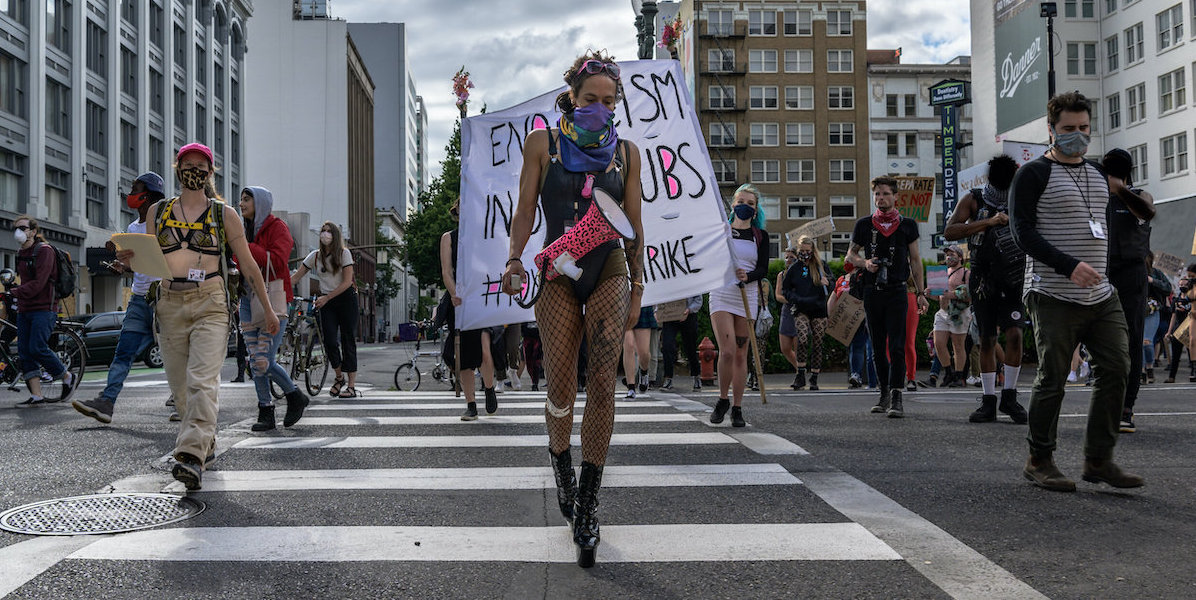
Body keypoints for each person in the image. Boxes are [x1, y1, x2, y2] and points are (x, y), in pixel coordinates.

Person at [501, 50, 644, 568]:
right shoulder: (543, 143)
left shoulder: (627, 153)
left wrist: (640, 282)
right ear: (572, 96)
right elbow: (523, 208)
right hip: (558, 271)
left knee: (603, 382)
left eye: (609, 101)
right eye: (591, 100)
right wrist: (515, 258)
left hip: (608, 269)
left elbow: (634, 221)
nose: (600, 109)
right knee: (561, 381)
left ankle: (588, 503)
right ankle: (560, 460)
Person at [1008, 92, 1142, 492]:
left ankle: (1098, 460)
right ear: (1051, 129)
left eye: (1084, 128)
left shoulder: (1100, 174)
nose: (1078, 136)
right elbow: (1022, 233)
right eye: (1069, 129)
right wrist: (1068, 265)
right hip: (1051, 292)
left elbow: (1105, 229)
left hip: (1101, 294)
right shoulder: (1032, 174)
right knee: (1053, 377)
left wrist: (1109, 271)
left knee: (1118, 368)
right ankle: (1039, 459)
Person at [126, 142, 279, 491]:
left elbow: (250, 264)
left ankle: (190, 456)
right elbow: (148, 261)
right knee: (181, 391)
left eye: (201, 165)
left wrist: (268, 309)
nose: (194, 170)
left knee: (201, 381)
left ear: (210, 172)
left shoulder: (224, 214)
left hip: (210, 302)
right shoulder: (158, 212)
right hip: (168, 302)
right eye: (187, 164)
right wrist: (128, 262)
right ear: (177, 169)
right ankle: (204, 444)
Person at [72, 172, 166, 422]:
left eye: (135, 189)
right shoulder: (132, 229)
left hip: (164, 298)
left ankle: (184, 401)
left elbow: (165, 263)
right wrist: (123, 266)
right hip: (138, 299)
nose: (130, 195)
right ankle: (106, 402)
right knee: (123, 352)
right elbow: (138, 265)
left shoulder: (165, 224)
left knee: (175, 353)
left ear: (147, 195)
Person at [944, 155, 1030, 423]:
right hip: (983, 277)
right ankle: (988, 400)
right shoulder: (975, 198)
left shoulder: (1023, 198)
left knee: (1015, 334)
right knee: (987, 339)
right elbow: (950, 232)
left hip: (1015, 276)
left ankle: (1010, 396)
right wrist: (988, 222)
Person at [846, 177, 928, 418]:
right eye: (877, 194)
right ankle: (882, 392)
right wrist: (865, 263)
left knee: (897, 345)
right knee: (877, 347)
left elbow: (915, 260)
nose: (880, 198)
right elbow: (851, 255)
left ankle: (896, 395)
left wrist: (921, 293)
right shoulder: (864, 224)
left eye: (885, 194)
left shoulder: (907, 225)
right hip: (872, 291)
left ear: (895, 197)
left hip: (897, 290)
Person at [237, 186, 308, 431]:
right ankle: (265, 410)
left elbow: (278, 261)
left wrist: (244, 247)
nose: (241, 203)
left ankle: (294, 395)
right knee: (255, 358)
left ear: (261, 203)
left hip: (274, 300)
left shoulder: (278, 228)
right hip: (246, 300)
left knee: (263, 360)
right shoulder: (242, 229)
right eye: (241, 199)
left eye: (247, 199)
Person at [1100, 148, 1156, 434]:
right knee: (1100, 340)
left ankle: (1126, 408)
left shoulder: (1139, 194)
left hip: (1131, 274)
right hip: (1099, 272)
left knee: (1132, 340)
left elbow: (1148, 211)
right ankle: (1105, 404)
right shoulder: (1095, 196)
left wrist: (1120, 190)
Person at [708, 184, 769, 426]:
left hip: (748, 296)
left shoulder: (761, 236)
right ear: (732, 205)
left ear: (756, 209)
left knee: (742, 354)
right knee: (728, 351)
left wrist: (749, 277)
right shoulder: (721, 231)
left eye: (750, 203)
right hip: (722, 293)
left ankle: (737, 406)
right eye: (740, 201)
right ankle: (722, 398)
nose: (745, 206)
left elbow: (763, 268)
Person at [435, 200, 498, 420]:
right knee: (463, 355)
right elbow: (446, 271)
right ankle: (471, 403)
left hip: (481, 299)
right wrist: (454, 294)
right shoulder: (448, 238)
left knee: (484, 348)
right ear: (457, 210)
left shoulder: (484, 236)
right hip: (459, 302)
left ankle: (489, 388)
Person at [11, 216, 74, 407]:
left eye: (22, 227)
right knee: (25, 351)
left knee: (37, 347)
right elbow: (22, 280)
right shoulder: (20, 253)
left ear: (32, 231)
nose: (18, 231)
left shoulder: (44, 251)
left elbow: (39, 283)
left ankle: (66, 375)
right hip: (25, 308)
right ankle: (37, 395)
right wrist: (15, 292)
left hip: (44, 307)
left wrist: (14, 291)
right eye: (15, 228)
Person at [292, 221, 360, 398]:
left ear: (335, 236)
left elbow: (347, 282)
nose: (325, 234)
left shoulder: (344, 254)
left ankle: (351, 385)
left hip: (346, 299)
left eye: (329, 231)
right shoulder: (315, 256)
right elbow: (297, 276)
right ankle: (339, 378)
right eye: (323, 230)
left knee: (348, 340)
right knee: (329, 340)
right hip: (327, 302)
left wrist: (327, 297)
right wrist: (278, 287)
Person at [781, 236, 831, 390]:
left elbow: (832, 283)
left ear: (812, 251)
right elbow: (786, 289)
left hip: (818, 308)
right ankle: (800, 374)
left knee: (817, 342)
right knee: (802, 339)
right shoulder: (794, 268)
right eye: (801, 251)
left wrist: (827, 283)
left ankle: (814, 377)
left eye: (807, 251)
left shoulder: (821, 266)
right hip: (801, 307)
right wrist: (795, 299)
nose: (804, 254)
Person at [925, 245, 972, 388]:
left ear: (959, 257)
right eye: (947, 255)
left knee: (958, 346)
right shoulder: (941, 273)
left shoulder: (966, 273)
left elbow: (970, 295)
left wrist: (951, 294)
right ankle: (948, 373)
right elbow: (939, 297)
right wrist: (929, 294)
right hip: (942, 312)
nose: (948, 257)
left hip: (959, 314)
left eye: (952, 254)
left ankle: (958, 377)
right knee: (938, 343)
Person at [829, 262, 877, 389]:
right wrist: (829, 318)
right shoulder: (842, 280)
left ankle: (874, 380)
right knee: (856, 346)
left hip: (865, 314)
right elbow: (832, 299)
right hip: (851, 317)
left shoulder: (864, 276)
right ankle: (856, 375)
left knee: (870, 347)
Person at [658, 295, 703, 392]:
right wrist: (658, 311)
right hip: (670, 316)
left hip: (688, 315)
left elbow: (698, 300)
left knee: (690, 348)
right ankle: (668, 378)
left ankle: (696, 376)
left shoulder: (691, 280)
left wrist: (689, 309)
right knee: (667, 346)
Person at [1139, 253, 1171, 390]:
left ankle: (1150, 367)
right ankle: (1141, 371)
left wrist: (1152, 281)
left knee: (1147, 341)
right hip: (1137, 308)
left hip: (1153, 309)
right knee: (1138, 342)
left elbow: (1168, 288)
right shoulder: (1133, 272)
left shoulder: (1156, 273)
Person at [1164, 265, 1196, 383]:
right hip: (1178, 330)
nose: (1183, 286)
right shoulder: (1176, 300)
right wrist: (1169, 331)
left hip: (1189, 328)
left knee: (1191, 352)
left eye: (1185, 284)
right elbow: (1173, 316)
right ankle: (1172, 377)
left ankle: (1193, 372)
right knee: (1175, 356)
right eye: (1181, 285)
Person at [776, 249, 801, 388]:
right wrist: (789, 299)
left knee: (798, 346)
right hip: (787, 311)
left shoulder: (801, 273)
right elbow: (778, 295)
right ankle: (800, 370)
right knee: (785, 347)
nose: (789, 260)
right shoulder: (782, 274)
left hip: (799, 311)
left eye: (792, 257)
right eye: (787, 257)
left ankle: (799, 374)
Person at [622, 307, 654, 399]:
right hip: (624, 306)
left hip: (643, 306)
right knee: (629, 345)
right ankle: (631, 387)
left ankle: (644, 372)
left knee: (644, 352)